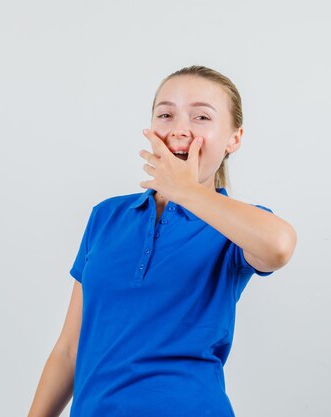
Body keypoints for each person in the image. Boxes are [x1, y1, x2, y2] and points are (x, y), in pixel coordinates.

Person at [27, 65, 297, 417]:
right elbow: (69, 350)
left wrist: (185, 190)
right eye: (165, 114)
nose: (179, 128)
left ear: (234, 138)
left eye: (201, 116)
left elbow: (278, 245)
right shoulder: (106, 217)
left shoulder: (235, 225)